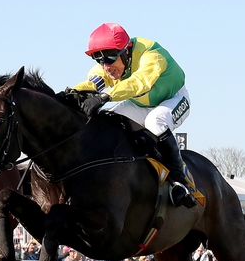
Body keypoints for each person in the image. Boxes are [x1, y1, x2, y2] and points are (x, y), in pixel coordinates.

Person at [72, 23, 196, 209]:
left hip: (173, 100)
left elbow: (139, 83)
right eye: (100, 61)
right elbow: (95, 82)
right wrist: (72, 93)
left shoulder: (152, 54)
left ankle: (181, 182)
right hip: (140, 104)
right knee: (108, 121)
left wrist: (106, 96)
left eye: (110, 59)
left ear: (127, 51)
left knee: (155, 121)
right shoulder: (110, 64)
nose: (106, 66)